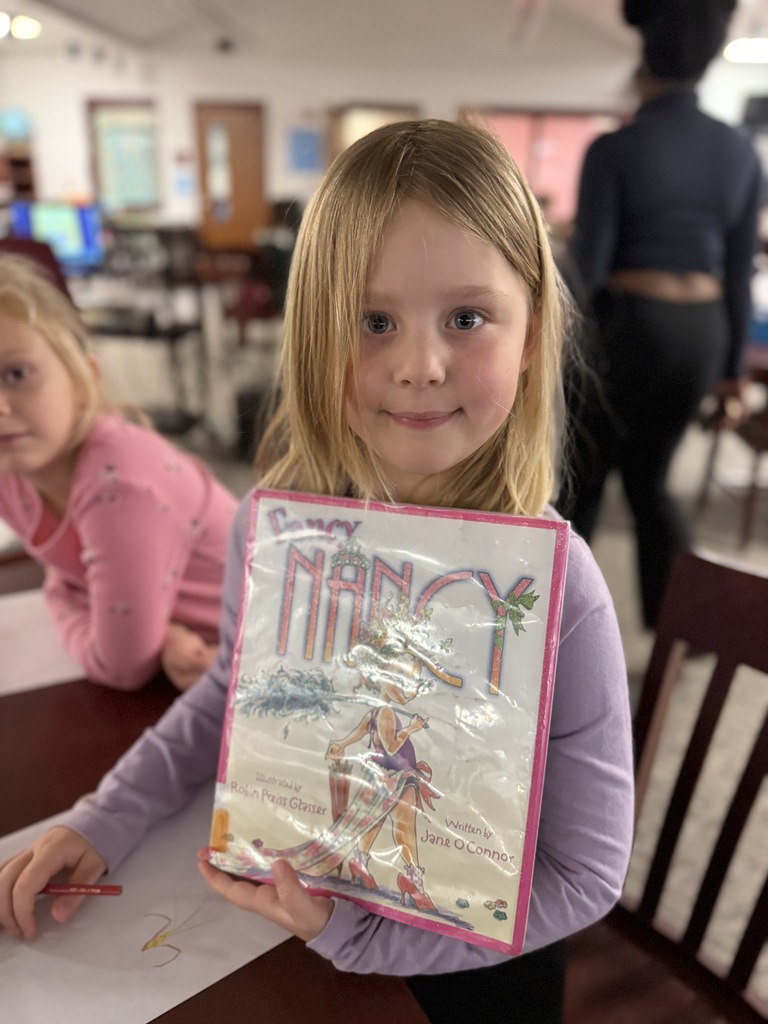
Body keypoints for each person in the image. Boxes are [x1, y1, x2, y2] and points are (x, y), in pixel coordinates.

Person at [0, 120, 634, 1024]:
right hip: (283, 929)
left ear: (531, 332)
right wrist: (106, 816)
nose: (418, 365)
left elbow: (583, 875)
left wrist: (360, 935)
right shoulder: (277, 529)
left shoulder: (558, 588)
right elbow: (231, 694)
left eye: (467, 317)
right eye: (372, 321)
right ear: (313, 334)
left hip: (466, 981)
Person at [565, 0, 762, 628]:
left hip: (630, 326)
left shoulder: (615, 149)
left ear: (641, 65)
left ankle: (561, 628)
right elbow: (738, 273)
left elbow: (588, 268)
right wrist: (730, 371)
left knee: (586, 478)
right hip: (703, 335)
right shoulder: (739, 153)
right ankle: (684, 627)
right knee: (650, 480)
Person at [0, 253, 238, 691]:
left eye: (17, 373)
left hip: (264, 656)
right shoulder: (11, 467)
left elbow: (122, 666)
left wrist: (60, 597)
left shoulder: (120, 484)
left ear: (82, 376)